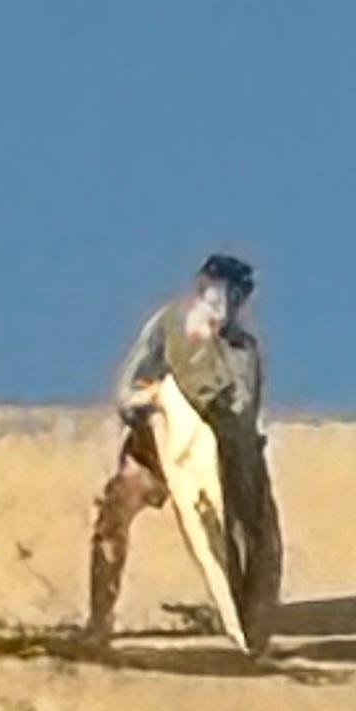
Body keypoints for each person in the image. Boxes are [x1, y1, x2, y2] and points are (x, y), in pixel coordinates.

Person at [84, 252, 281, 653]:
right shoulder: (167, 325)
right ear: (201, 288)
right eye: (217, 292)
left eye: (235, 296)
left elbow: (243, 418)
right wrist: (152, 400)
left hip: (220, 461)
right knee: (112, 516)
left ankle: (249, 630)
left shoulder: (244, 352)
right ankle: (99, 622)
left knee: (254, 537)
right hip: (155, 448)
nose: (224, 304)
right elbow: (126, 389)